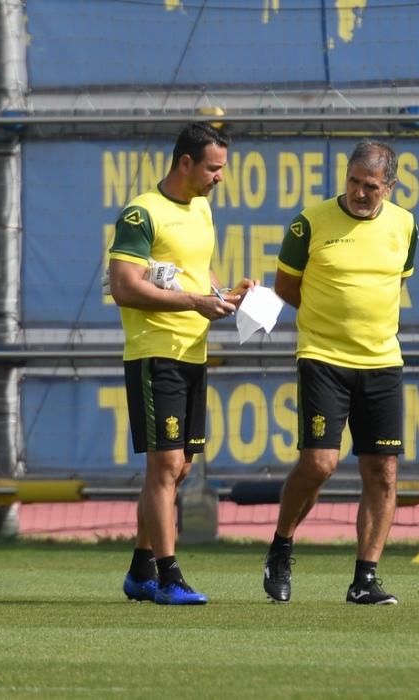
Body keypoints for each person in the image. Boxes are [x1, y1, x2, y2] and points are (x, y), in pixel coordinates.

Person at [263, 140, 419, 605]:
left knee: (383, 473)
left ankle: (364, 579)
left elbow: (396, 281)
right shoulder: (309, 221)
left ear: (388, 187)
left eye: (370, 186)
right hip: (323, 358)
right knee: (320, 464)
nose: (359, 192)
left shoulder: (406, 225)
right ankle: (281, 546)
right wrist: (329, 323)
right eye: (353, 182)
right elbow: (287, 286)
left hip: (382, 362)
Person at [108, 122, 257, 605]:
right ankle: (169, 576)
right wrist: (195, 302)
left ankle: (139, 570)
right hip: (156, 352)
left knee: (182, 467)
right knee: (165, 465)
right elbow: (126, 285)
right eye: (213, 168)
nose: (219, 177)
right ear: (185, 162)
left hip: (193, 351)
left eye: (222, 169)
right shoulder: (141, 213)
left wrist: (225, 294)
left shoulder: (203, 209)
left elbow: (196, 273)